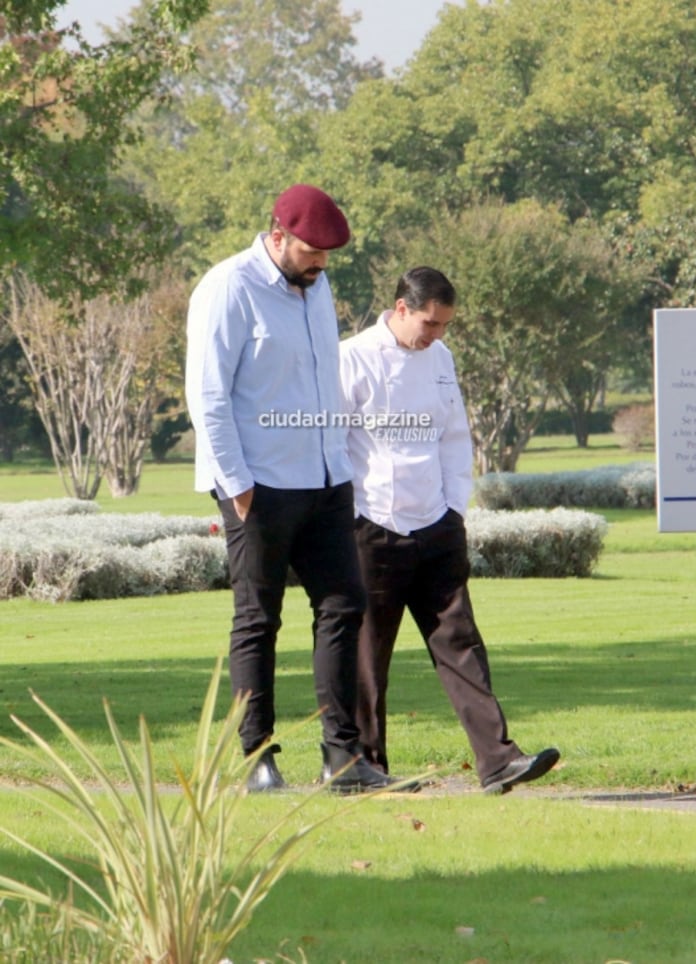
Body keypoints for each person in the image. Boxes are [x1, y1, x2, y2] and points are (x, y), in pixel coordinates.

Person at [185, 183, 395, 793]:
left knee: (343, 606)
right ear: (277, 236)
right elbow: (208, 396)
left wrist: (342, 464)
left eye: (328, 255)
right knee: (258, 619)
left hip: (327, 478)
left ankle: (342, 759)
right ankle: (259, 761)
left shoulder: (315, 285)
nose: (321, 263)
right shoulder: (227, 288)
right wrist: (238, 486)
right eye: (311, 251)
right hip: (259, 484)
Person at [338, 266, 560, 794]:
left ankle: (499, 761)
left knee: (461, 642)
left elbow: (454, 437)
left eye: (444, 325)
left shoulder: (441, 359)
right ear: (400, 309)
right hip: (374, 525)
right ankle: (365, 768)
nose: (437, 334)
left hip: (437, 524)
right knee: (368, 655)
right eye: (430, 323)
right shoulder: (352, 358)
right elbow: (331, 441)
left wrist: (454, 507)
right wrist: (352, 515)